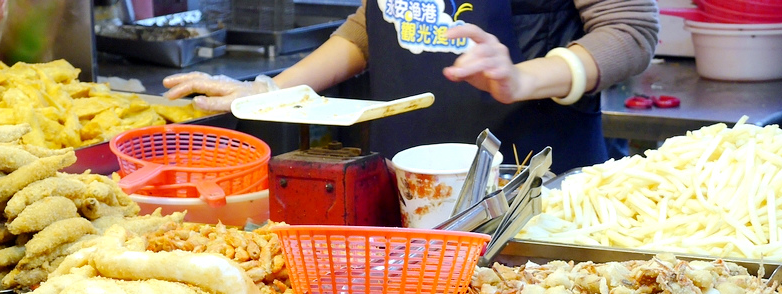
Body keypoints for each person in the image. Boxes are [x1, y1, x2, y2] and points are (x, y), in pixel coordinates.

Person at [164, 0, 659, 173]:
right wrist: (268, 90)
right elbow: (372, 25)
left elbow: (630, 30)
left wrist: (523, 77)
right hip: (403, 177)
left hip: (526, 181)